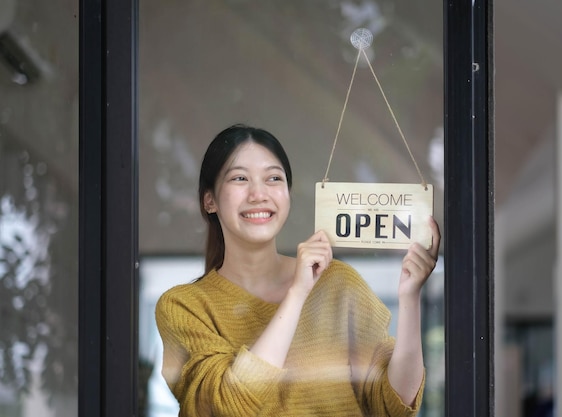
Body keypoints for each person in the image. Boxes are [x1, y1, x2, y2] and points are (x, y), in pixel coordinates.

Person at [155, 124, 441, 417]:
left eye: (273, 179)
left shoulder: (339, 284)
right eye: (240, 178)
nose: (258, 194)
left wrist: (410, 297)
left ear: (287, 195)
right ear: (209, 200)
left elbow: (394, 404)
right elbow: (228, 407)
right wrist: (298, 292)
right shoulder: (183, 306)